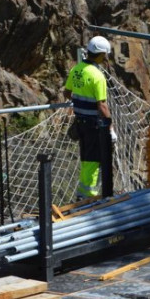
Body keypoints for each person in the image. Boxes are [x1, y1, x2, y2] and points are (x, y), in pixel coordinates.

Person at [64, 36, 115, 199]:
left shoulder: (76, 69)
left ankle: (84, 193)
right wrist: (110, 128)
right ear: (101, 54)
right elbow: (102, 105)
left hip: (80, 122)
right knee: (94, 159)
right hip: (94, 124)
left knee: (86, 157)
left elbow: (67, 92)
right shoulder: (98, 76)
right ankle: (88, 195)